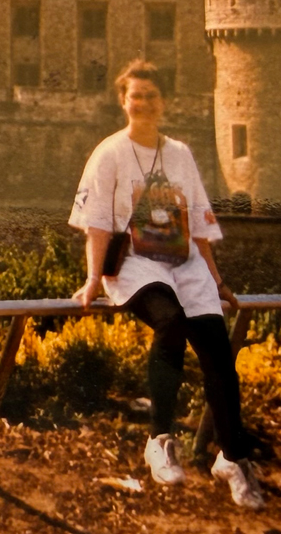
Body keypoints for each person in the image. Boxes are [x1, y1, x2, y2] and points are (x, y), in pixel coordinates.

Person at [69, 59, 264, 510]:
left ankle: (232, 458)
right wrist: (93, 278)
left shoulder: (179, 153)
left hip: (184, 262)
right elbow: (97, 223)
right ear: (124, 101)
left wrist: (217, 281)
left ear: (164, 103)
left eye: (151, 96)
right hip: (138, 266)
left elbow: (197, 222)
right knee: (170, 322)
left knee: (218, 353)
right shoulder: (110, 152)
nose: (143, 104)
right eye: (135, 96)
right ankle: (160, 438)